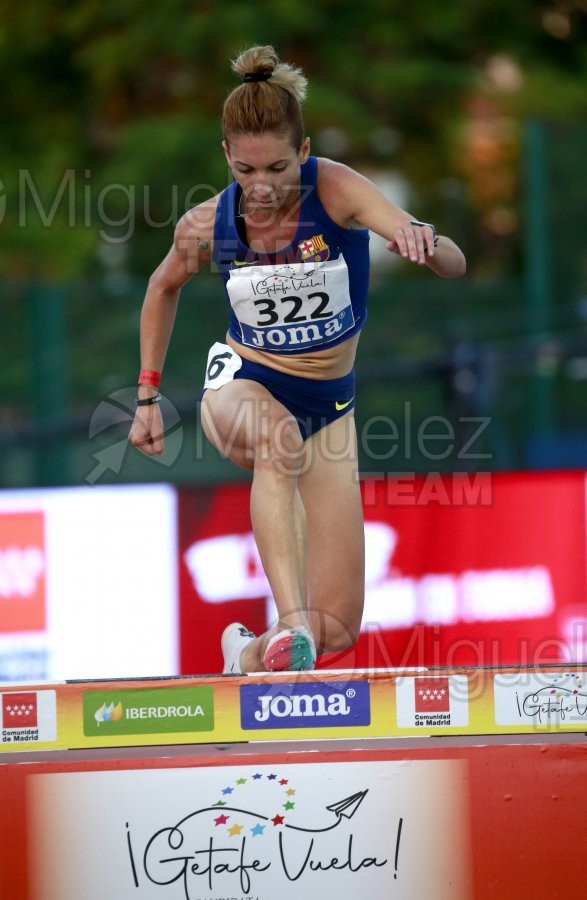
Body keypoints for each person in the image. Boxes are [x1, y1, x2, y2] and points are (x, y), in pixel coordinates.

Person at [128, 45, 466, 674]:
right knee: (277, 440)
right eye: (246, 170)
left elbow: (453, 262)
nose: (260, 187)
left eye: (278, 168)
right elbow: (160, 287)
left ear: (304, 155)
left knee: (338, 626)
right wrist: (146, 396)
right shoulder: (208, 223)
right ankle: (287, 623)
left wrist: (427, 240)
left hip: (329, 408)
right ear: (227, 157)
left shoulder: (337, 191)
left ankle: (250, 652)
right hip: (242, 386)